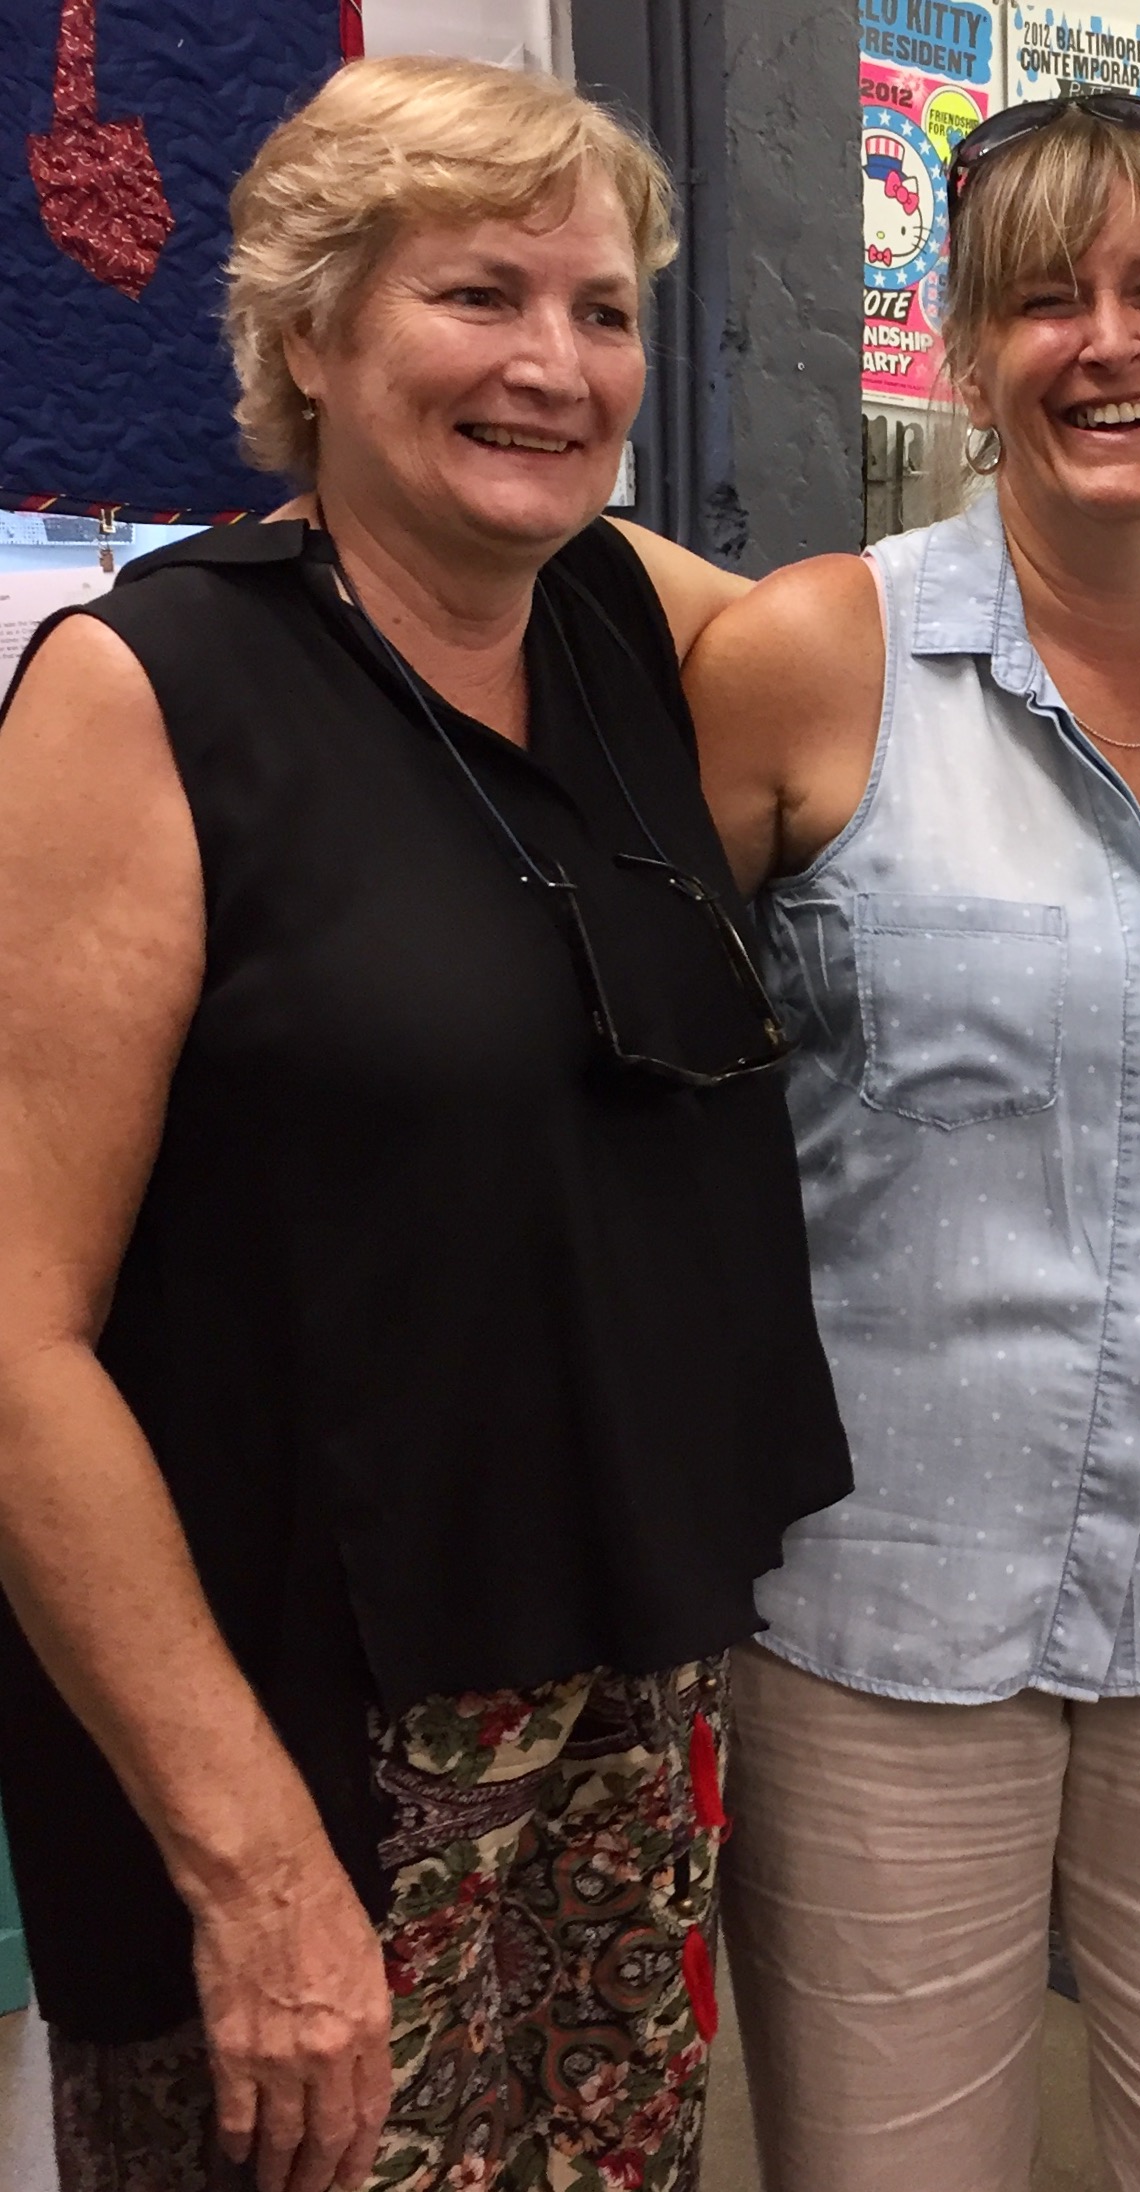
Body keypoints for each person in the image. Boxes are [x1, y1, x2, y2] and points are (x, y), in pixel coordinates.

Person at [0, 57, 852, 2192]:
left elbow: (957, 643)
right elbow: (13, 1337)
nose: (556, 367)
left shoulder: (621, 618)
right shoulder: (147, 692)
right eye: (482, 296)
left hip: (613, 1705)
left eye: (603, 308)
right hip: (309, 1737)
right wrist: (247, 1854)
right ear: (311, 333)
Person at [680, 96, 1140, 2192]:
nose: (1109, 340)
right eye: (1043, 298)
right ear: (962, 353)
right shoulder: (817, 657)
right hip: (881, 1621)